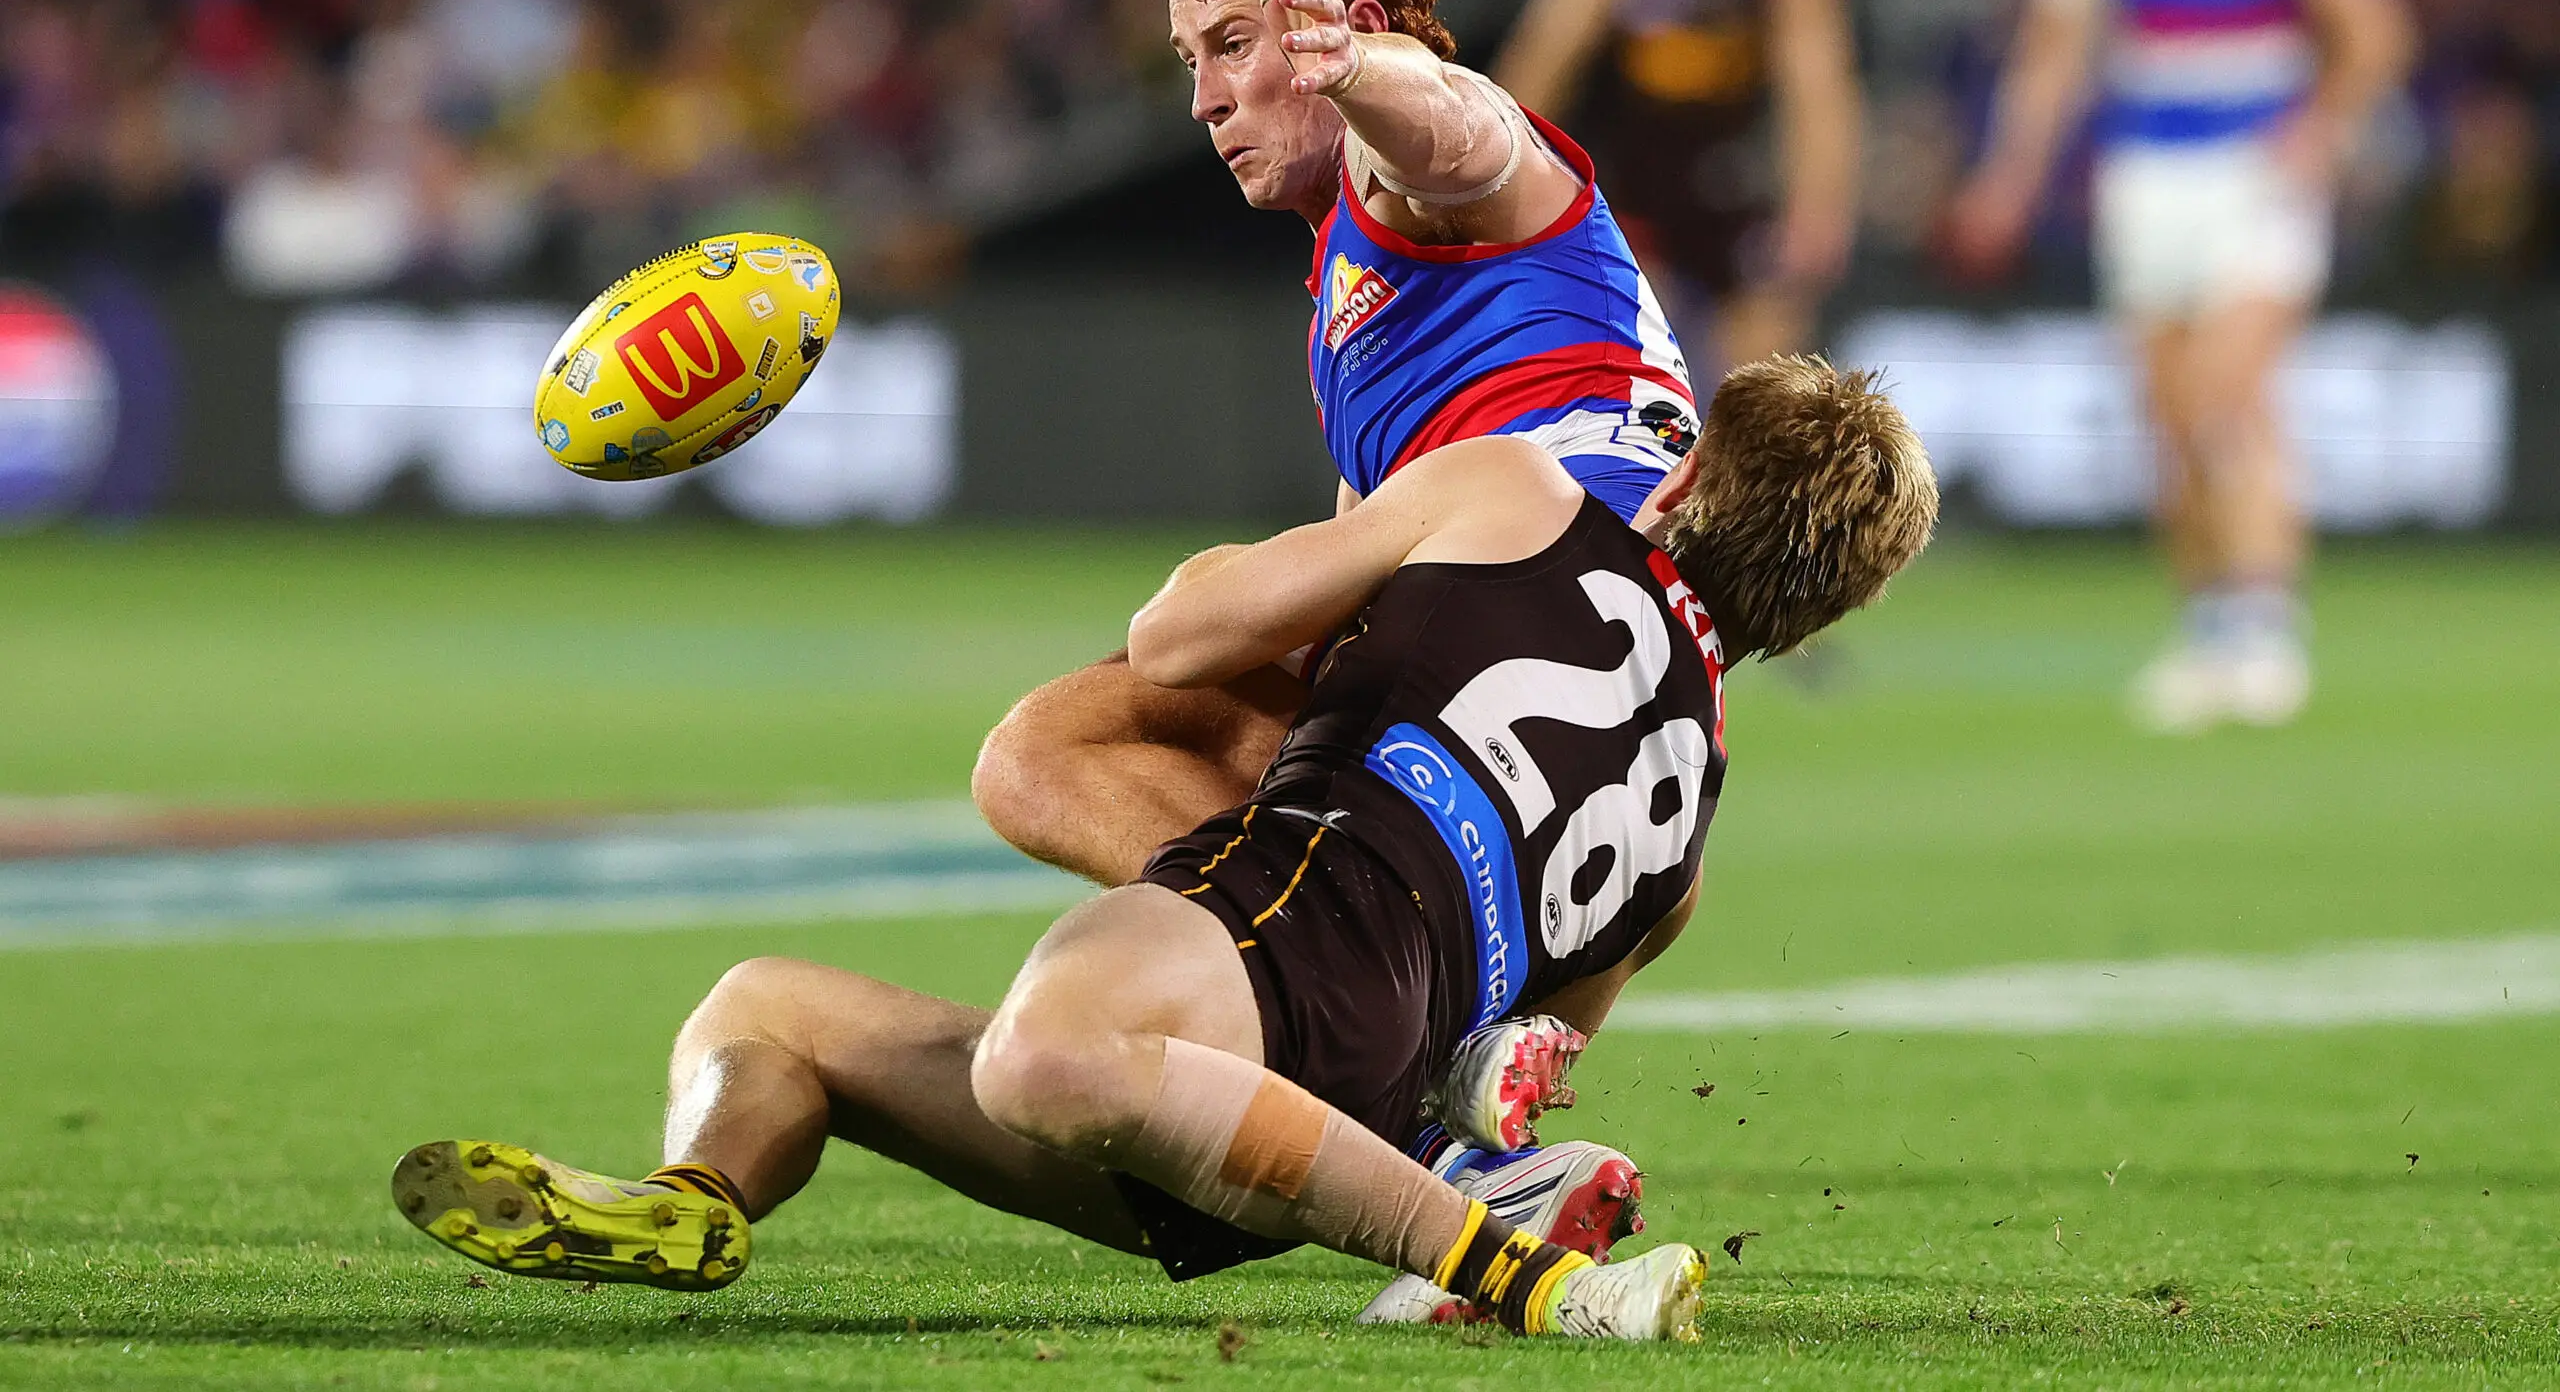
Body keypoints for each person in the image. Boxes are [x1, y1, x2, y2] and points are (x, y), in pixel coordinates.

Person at [391, 357, 1939, 1341]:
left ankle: (1528, 1280)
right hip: (1291, 1135)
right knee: (767, 1010)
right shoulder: (1688, 834)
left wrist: (1299, 593)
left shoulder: (1518, 488)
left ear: (1683, 475)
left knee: (1043, 1058)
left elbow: (1178, 637)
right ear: (1811, 625)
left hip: (1289, 921)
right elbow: (1514, 1057)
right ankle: (699, 1195)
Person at [972, 0, 1700, 899]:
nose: (1204, 101)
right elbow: (1345, 593)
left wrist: (1355, 65)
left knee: (1066, 734)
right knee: (1101, 730)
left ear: (1349, 21)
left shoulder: (1414, 164)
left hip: (1554, 638)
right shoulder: (1349, 305)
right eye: (1189, 61)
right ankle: (1357, 951)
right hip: (1600, 712)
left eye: (1232, 45)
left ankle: (1318, 944)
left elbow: (1452, 124)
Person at [1944, 0, 2414, 732]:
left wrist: (2321, 129)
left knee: (2227, 397)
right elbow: (2058, 48)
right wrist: (2010, 175)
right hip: (2145, 178)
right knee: (2168, 421)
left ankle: (2267, 626)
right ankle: (2208, 628)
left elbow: (2376, 29)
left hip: (2256, 179)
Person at [1494, 0, 1862, 382]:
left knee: (1765, 377)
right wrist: (1505, 190)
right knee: (1635, 361)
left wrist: (1818, 215)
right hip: (1626, 195)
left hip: (1738, 195)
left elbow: (1819, 100)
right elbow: (1539, 70)